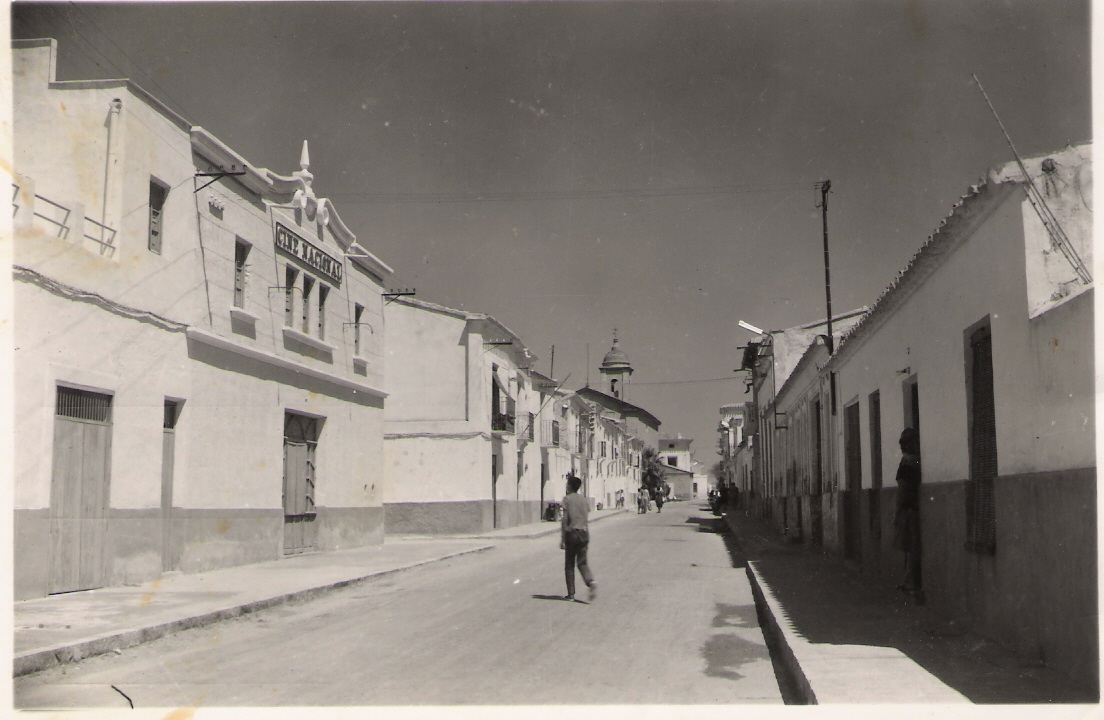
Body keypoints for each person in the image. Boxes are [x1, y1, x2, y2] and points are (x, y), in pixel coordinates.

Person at [892, 427, 924, 604]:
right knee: (911, 546)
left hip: (907, 508)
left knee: (909, 546)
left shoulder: (906, 463)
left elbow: (902, 489)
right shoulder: (917, 461)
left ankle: (909, 581)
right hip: (913, 507)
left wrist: (897, 512)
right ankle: (908, 580)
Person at [561, 474, 597, 602]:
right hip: (584, 533)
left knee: (569, 564)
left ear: (570, 486)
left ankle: (571, 594)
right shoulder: (584, 500)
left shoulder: (567, 499)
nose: (566, 487)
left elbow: (565, 519)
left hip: (572, 533)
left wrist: (563, 537)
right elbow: (586, 517)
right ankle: (590, 582)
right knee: (582, 563)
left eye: (567, 485)